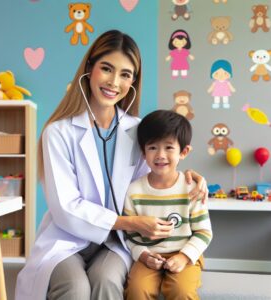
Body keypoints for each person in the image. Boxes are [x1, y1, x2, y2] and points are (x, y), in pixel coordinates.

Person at [15, 30, 207, 300]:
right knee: (75, 288)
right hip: (67, 238)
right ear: (90, 68)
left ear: (133, 81)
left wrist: (189, 178)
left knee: (106, 281)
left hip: (117, 242)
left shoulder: (138, 131)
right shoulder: (58, 132)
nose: (114, 82)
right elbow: (65, 207)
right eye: (107, 68)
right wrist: (131, 221)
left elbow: (158, 175)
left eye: (125, 74)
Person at [124, 110, 212, 300]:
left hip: (184, 254)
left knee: (181, 291)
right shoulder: (134, 190)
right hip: (148, 256)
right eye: (153, 147)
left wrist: (184, 257)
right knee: (137, 290)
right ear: (143, 151)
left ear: (184, 152)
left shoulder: (192, 188)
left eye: (169, 147)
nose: (160, 155)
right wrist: (143, 255)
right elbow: (130, 234)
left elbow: (204, 232)